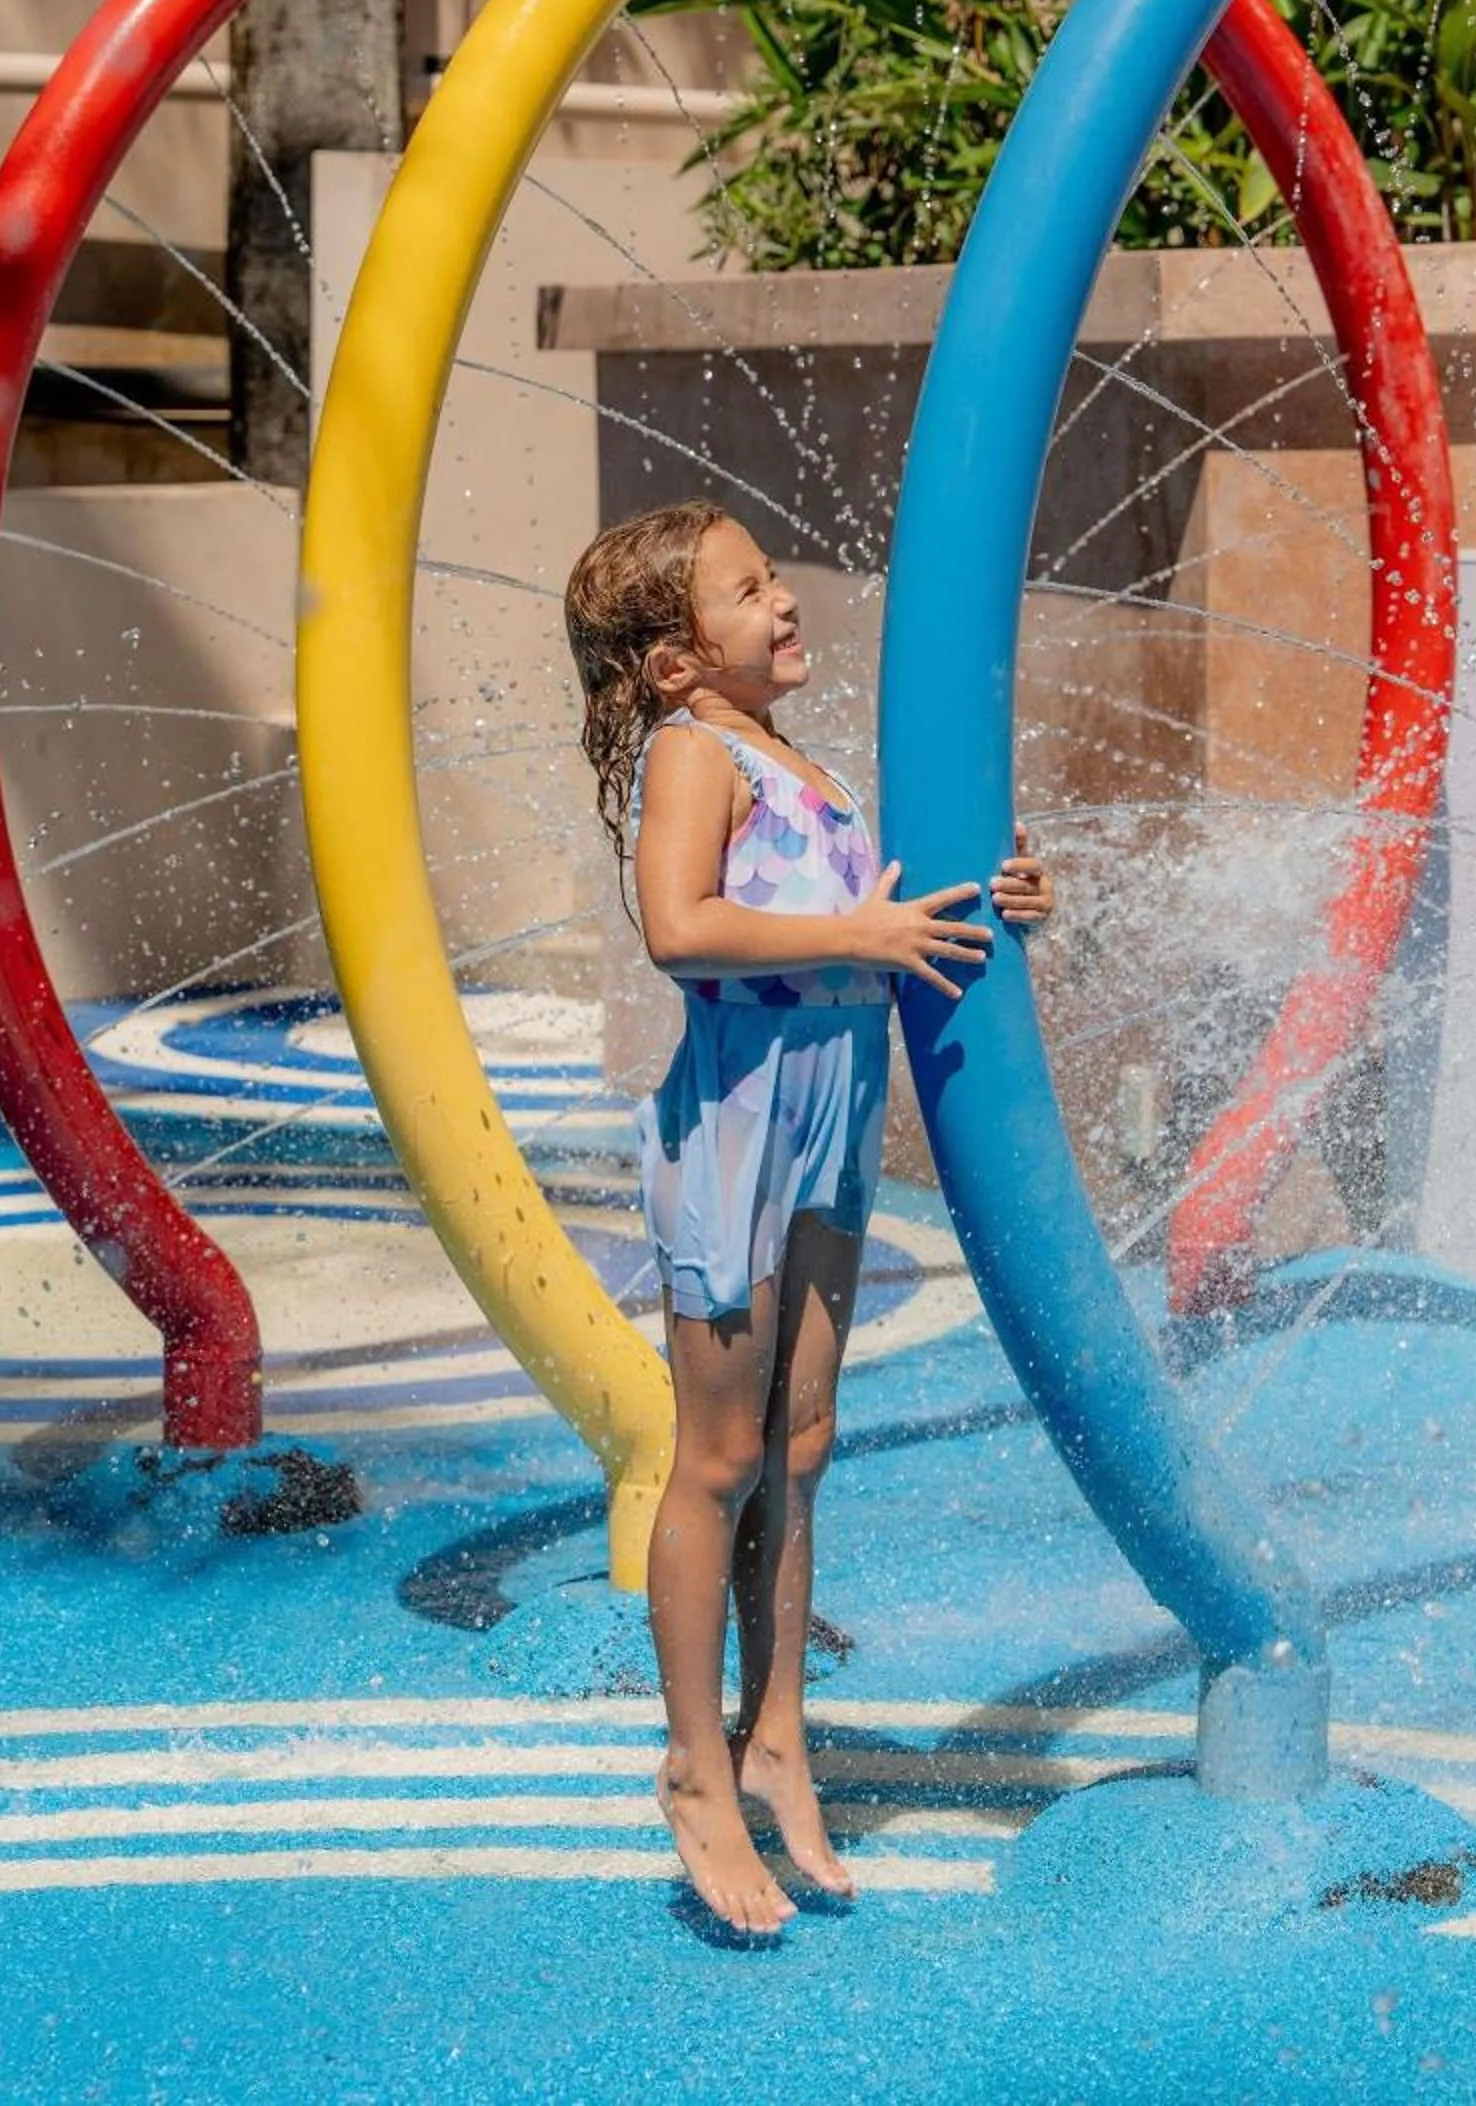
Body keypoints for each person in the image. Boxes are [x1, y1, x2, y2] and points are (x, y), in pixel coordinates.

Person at [562, 501, 1055, 1937]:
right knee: (719, 1456)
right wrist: (859, 933)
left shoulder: (806, 769)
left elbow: (897, 922)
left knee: (802, 1442)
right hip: (736, 1138)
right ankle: (691, 1765)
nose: (782, 600)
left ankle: (776, 1732)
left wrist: (1001, 902)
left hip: (829, 1136)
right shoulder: (694, 753)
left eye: (773, 577)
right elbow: (680, 927)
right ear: (674, 661)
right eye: (746, 589)